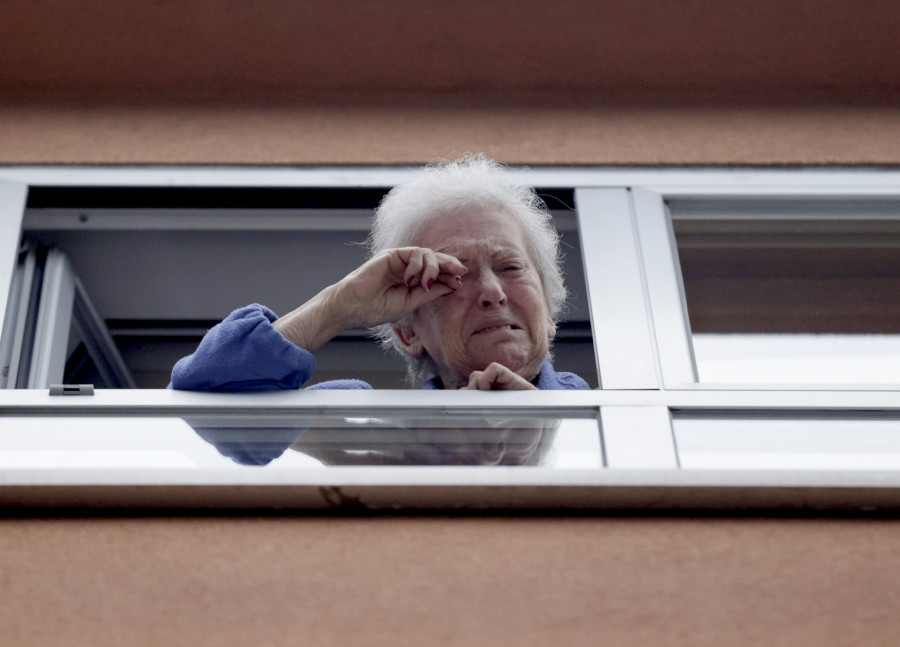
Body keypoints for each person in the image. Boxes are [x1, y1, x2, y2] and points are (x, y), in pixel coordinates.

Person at [171, 154, 589, 393]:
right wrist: (339, 305)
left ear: (549, 317)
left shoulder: (616, 427)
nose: (492, 292)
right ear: (409, 334)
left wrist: (544, 428)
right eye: (454, 276)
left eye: (511, 267)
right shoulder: (375, 429)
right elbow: (199, 398)